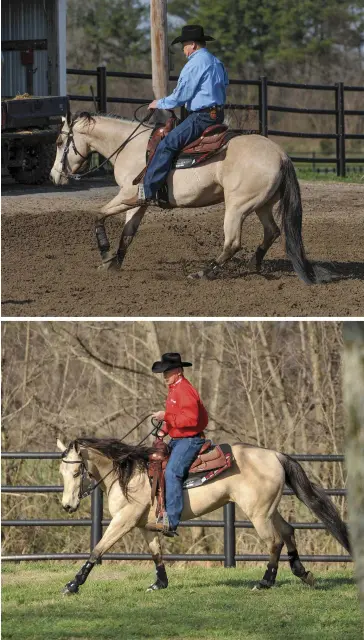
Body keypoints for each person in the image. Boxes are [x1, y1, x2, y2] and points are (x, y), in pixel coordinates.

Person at [121, 24, 229, 208]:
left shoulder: (195, 64)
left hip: (201, 117)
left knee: (167, 144)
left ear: (193, 44)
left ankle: (146, 193)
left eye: (185, 45)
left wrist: (158, 103)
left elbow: (180, 96)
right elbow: (224, 84)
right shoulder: (216, 61)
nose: (183, 49)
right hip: (217, 115)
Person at [151, 352, 208, 535]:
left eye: (167, 372)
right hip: (178, 438)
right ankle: (160, 511)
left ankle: (171, 521)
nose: (164, 376)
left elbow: (190, 419)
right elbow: (176, 418)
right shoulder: (175, 389)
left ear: (177, 371)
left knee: (173, 472)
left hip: (190, 440)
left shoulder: (184, 390)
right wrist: (163, 431)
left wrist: (164, 416)